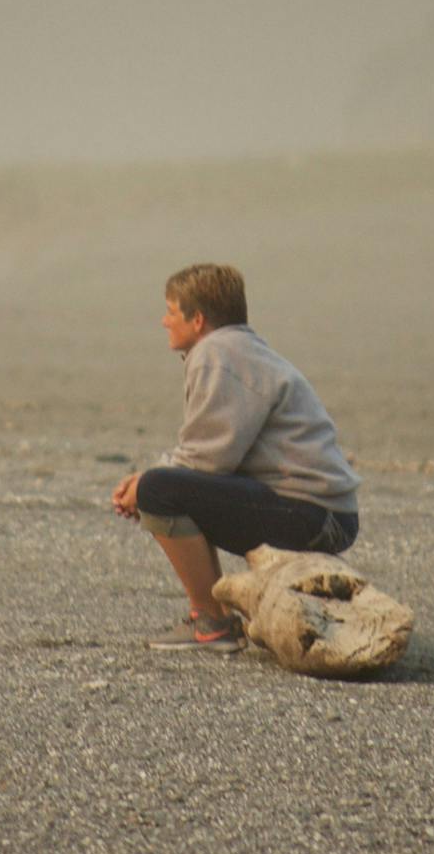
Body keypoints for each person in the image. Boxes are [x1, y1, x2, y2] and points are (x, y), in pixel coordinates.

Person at [110, 263, 360, 651]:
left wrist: (144, 484)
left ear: (197, 319)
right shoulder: (239, 349)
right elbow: (205, 457)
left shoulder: (218, 354)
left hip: (314, 516)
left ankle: (212, 623)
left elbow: (208, 460)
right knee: (162, 485)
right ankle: (215, 618)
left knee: (160, 491)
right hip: (324, 513)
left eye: (171, 311)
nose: (163, 321)